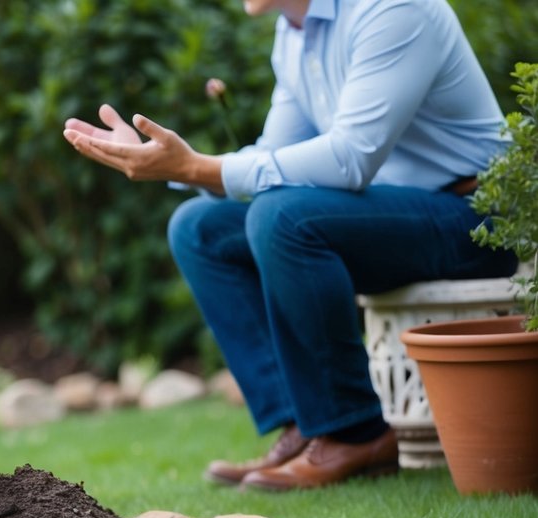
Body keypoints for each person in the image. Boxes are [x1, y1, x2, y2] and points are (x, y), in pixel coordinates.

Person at [62, 0, 518, 490]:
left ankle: (355, 431)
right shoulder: (296, 32)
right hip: (384, 221)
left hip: (472, 221)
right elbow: (272, 158)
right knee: (200, 227)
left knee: (282, 216)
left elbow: (349, 160)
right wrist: (174, 165)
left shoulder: (393, 9)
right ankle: (303, 424)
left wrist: (196, 167)